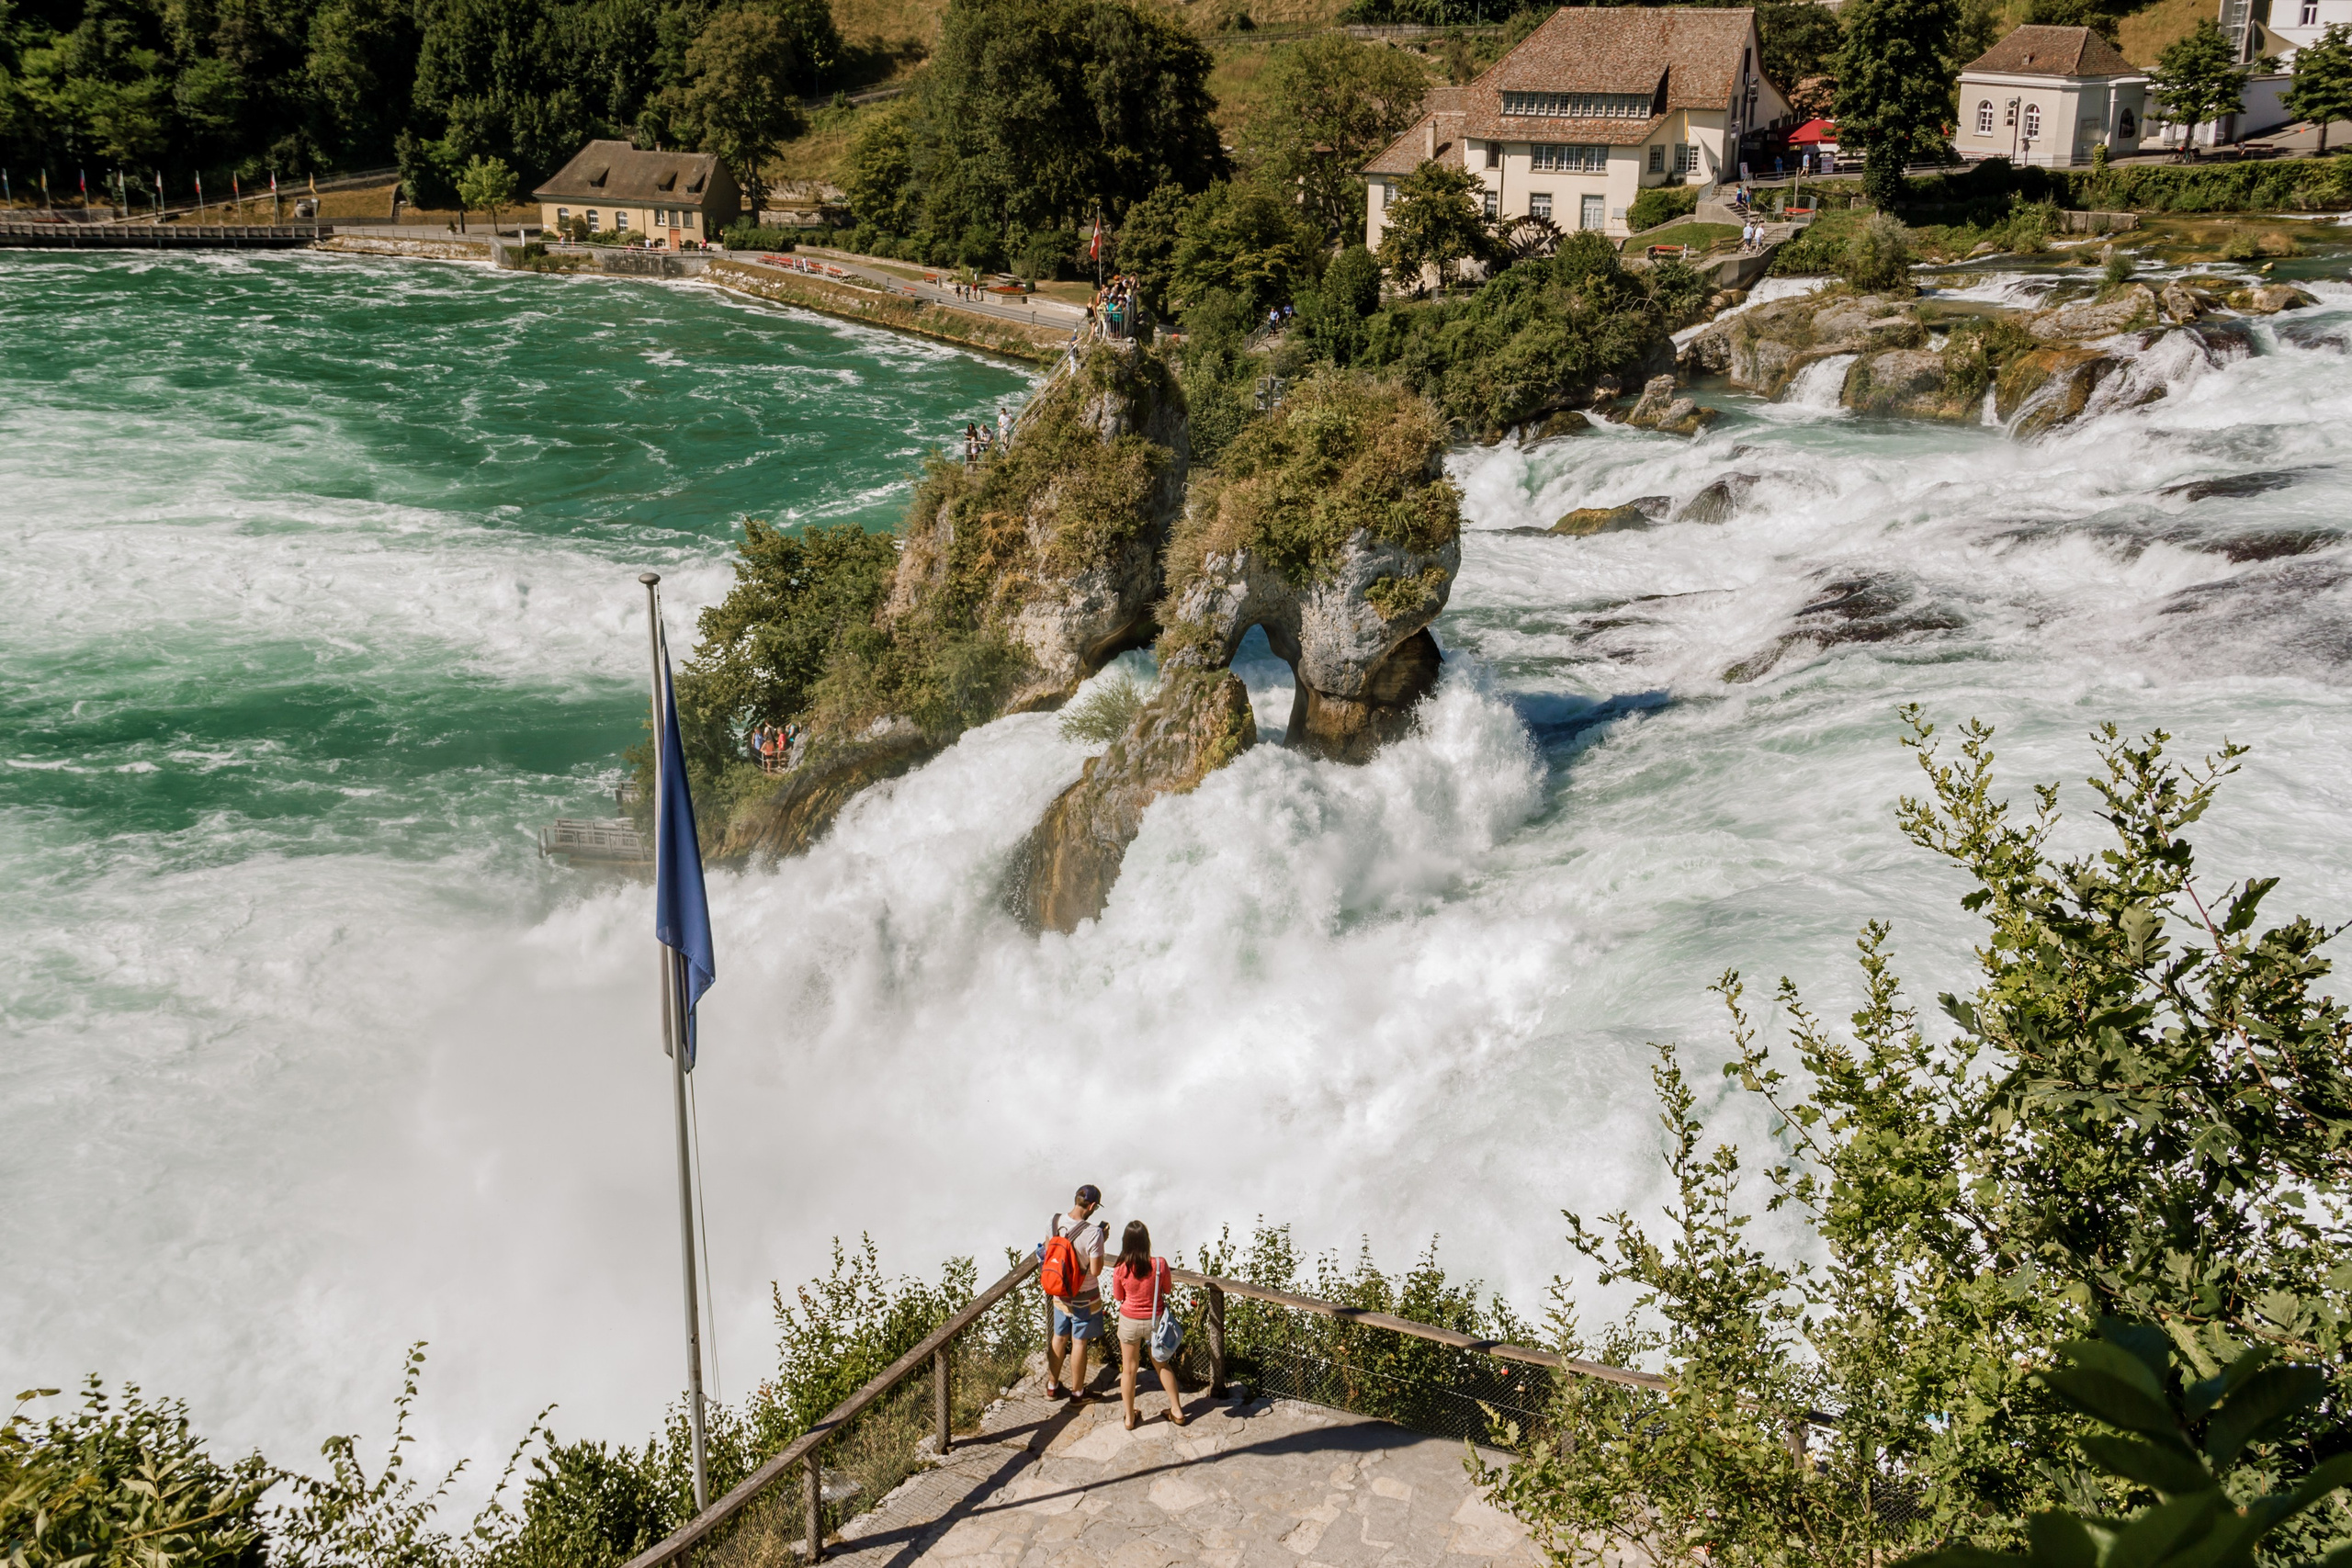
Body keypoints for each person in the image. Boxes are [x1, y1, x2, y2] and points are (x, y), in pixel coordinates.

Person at [1108, 1220, 1186, 1430]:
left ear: (1125, 1242)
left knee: (1129, 1370)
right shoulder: (1159, 1264)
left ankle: (1129, 1418)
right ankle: (1177, 1411)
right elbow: (1167, 1290)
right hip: (1156, 1322)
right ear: (1146, 1241)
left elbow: (1118, 1296)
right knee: (1161, 1364)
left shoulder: (1120, 1268)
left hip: (1129, 1322)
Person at [1045, 1186, 1107, 1399]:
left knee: (1059, 1338)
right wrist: (1102, 1240)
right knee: (1079, 1342)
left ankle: (1052, 1386)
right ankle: (1078, 1392)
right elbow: (1096, 1270)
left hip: (1059, 1292)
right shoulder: (1094, 1233)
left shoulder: (1054, 1221)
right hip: (1084, 1295)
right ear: (1091, 1206)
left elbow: (1049, 1253)